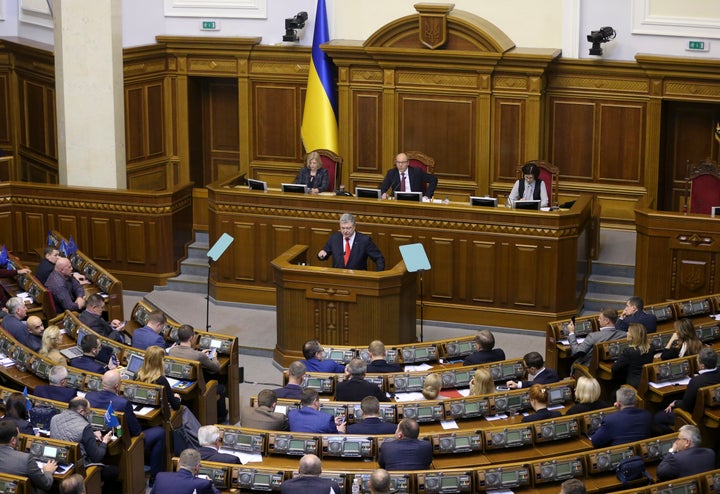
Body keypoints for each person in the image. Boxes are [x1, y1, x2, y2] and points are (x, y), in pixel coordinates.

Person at [85, 370, 166, 484]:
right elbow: (136, 431)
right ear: (117, 386)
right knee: (160, 432)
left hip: (98, 438)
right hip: (121, 442)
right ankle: (154, 478)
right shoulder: (123, 403)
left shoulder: (89, 396)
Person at [50, 397, 120, 492]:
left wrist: (90, 434)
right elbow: (97, 457)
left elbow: (69, 432)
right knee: (114, 472)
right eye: (88, 412)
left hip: (60, 461)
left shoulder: (54, 418)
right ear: (81, 411)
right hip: (80, 468)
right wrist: (104, 441)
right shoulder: (84, 426)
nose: (88, 415)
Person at [168, 324, 227, 423]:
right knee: (221, 387)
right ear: (191, 338)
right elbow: (216, 368)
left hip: (177, 384)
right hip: (196, 389)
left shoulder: (171, 351)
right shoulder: (198, 355)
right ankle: (221, 417)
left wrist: (198, 353)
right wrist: (214, 357)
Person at [656, 347, 720, 433]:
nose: (697, 362)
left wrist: (675, 403)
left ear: (702, 366)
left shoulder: (696, 382)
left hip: (696, 418)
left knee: (658, 417)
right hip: (712, 413)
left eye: (697, 361)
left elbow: (686, 406)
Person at [0, 419, 56, 493]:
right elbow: (46, 484)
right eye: (18, 437)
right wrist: (48, 471)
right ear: (13, 440)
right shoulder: (26, 459)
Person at [317, 213, 385, 271]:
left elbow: (379, 258)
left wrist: (379, 275)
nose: (345, 231)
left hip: (358, 279)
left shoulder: (364, 240)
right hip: (338, 278)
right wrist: (321, 255)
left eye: (348, 228)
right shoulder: (334, 238)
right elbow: (325, 253)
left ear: (354, 227)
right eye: (343, 228)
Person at [151, 448, 220, 494]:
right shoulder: (203, 483)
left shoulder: (160, 477)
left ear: (178, 462)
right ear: (197, 467)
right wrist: (211, 484)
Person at [136, 346, 182, 412]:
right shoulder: (161, 380)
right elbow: (175, 406)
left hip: (143, 411)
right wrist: (177, 398)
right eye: (163, 360)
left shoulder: (137, 375)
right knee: (185, 409)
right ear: (160, 362)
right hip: (159, 415)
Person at [611, 323, 653, 388]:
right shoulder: (651, 348)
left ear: (633, 335)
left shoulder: (629, 351)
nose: (626, 333)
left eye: (628, 331)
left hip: (632, 384)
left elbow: (615, 368)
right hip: (645, 381)